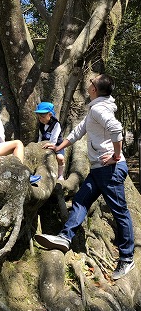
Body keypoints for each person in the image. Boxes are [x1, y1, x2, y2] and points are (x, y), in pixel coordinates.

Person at [35, 74, 135, 280]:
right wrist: (57, 147)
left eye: (92, 82)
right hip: (98, 170)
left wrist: (117, 155)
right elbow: (77, 132)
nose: (88, 82)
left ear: (94, 90)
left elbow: (117, 129)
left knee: (120, 212)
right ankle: (65, 237)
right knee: (80, 201)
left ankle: (127, 258)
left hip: (110, 170)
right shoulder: (95, 108)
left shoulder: (99, 109)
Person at [34, 102, 65, 180]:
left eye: (43, 117)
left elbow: (54, 139)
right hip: (44, 144)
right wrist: (38, 145)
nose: (41, 119)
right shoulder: (41, 125)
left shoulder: (56, 125)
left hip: (56, 145)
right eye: (39, 118)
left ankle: (60, 175)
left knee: (60, 158)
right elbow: (40, 136)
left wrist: (51, 146)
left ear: (50, 115)